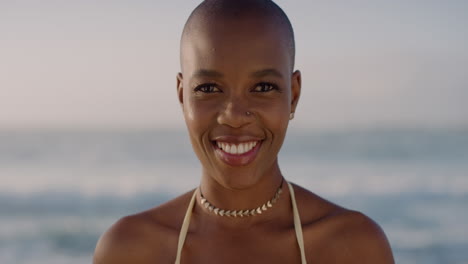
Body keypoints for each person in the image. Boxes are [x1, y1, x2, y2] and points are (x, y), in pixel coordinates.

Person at [93, 0, 395, 263]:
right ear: (182, 95)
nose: (235, 117)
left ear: (294, 95)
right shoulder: (129, 250)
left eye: (263, 87)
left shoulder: (354, 247)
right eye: (209, 88)